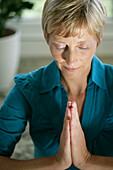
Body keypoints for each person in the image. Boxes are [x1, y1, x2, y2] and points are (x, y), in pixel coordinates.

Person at [0, 0, 113, 169]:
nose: (71, 59)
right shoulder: (28, 89)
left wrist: (88, 161)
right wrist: (56, 163)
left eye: (82, 46)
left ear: (99, 38)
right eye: (60, 45)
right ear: (46, 37)